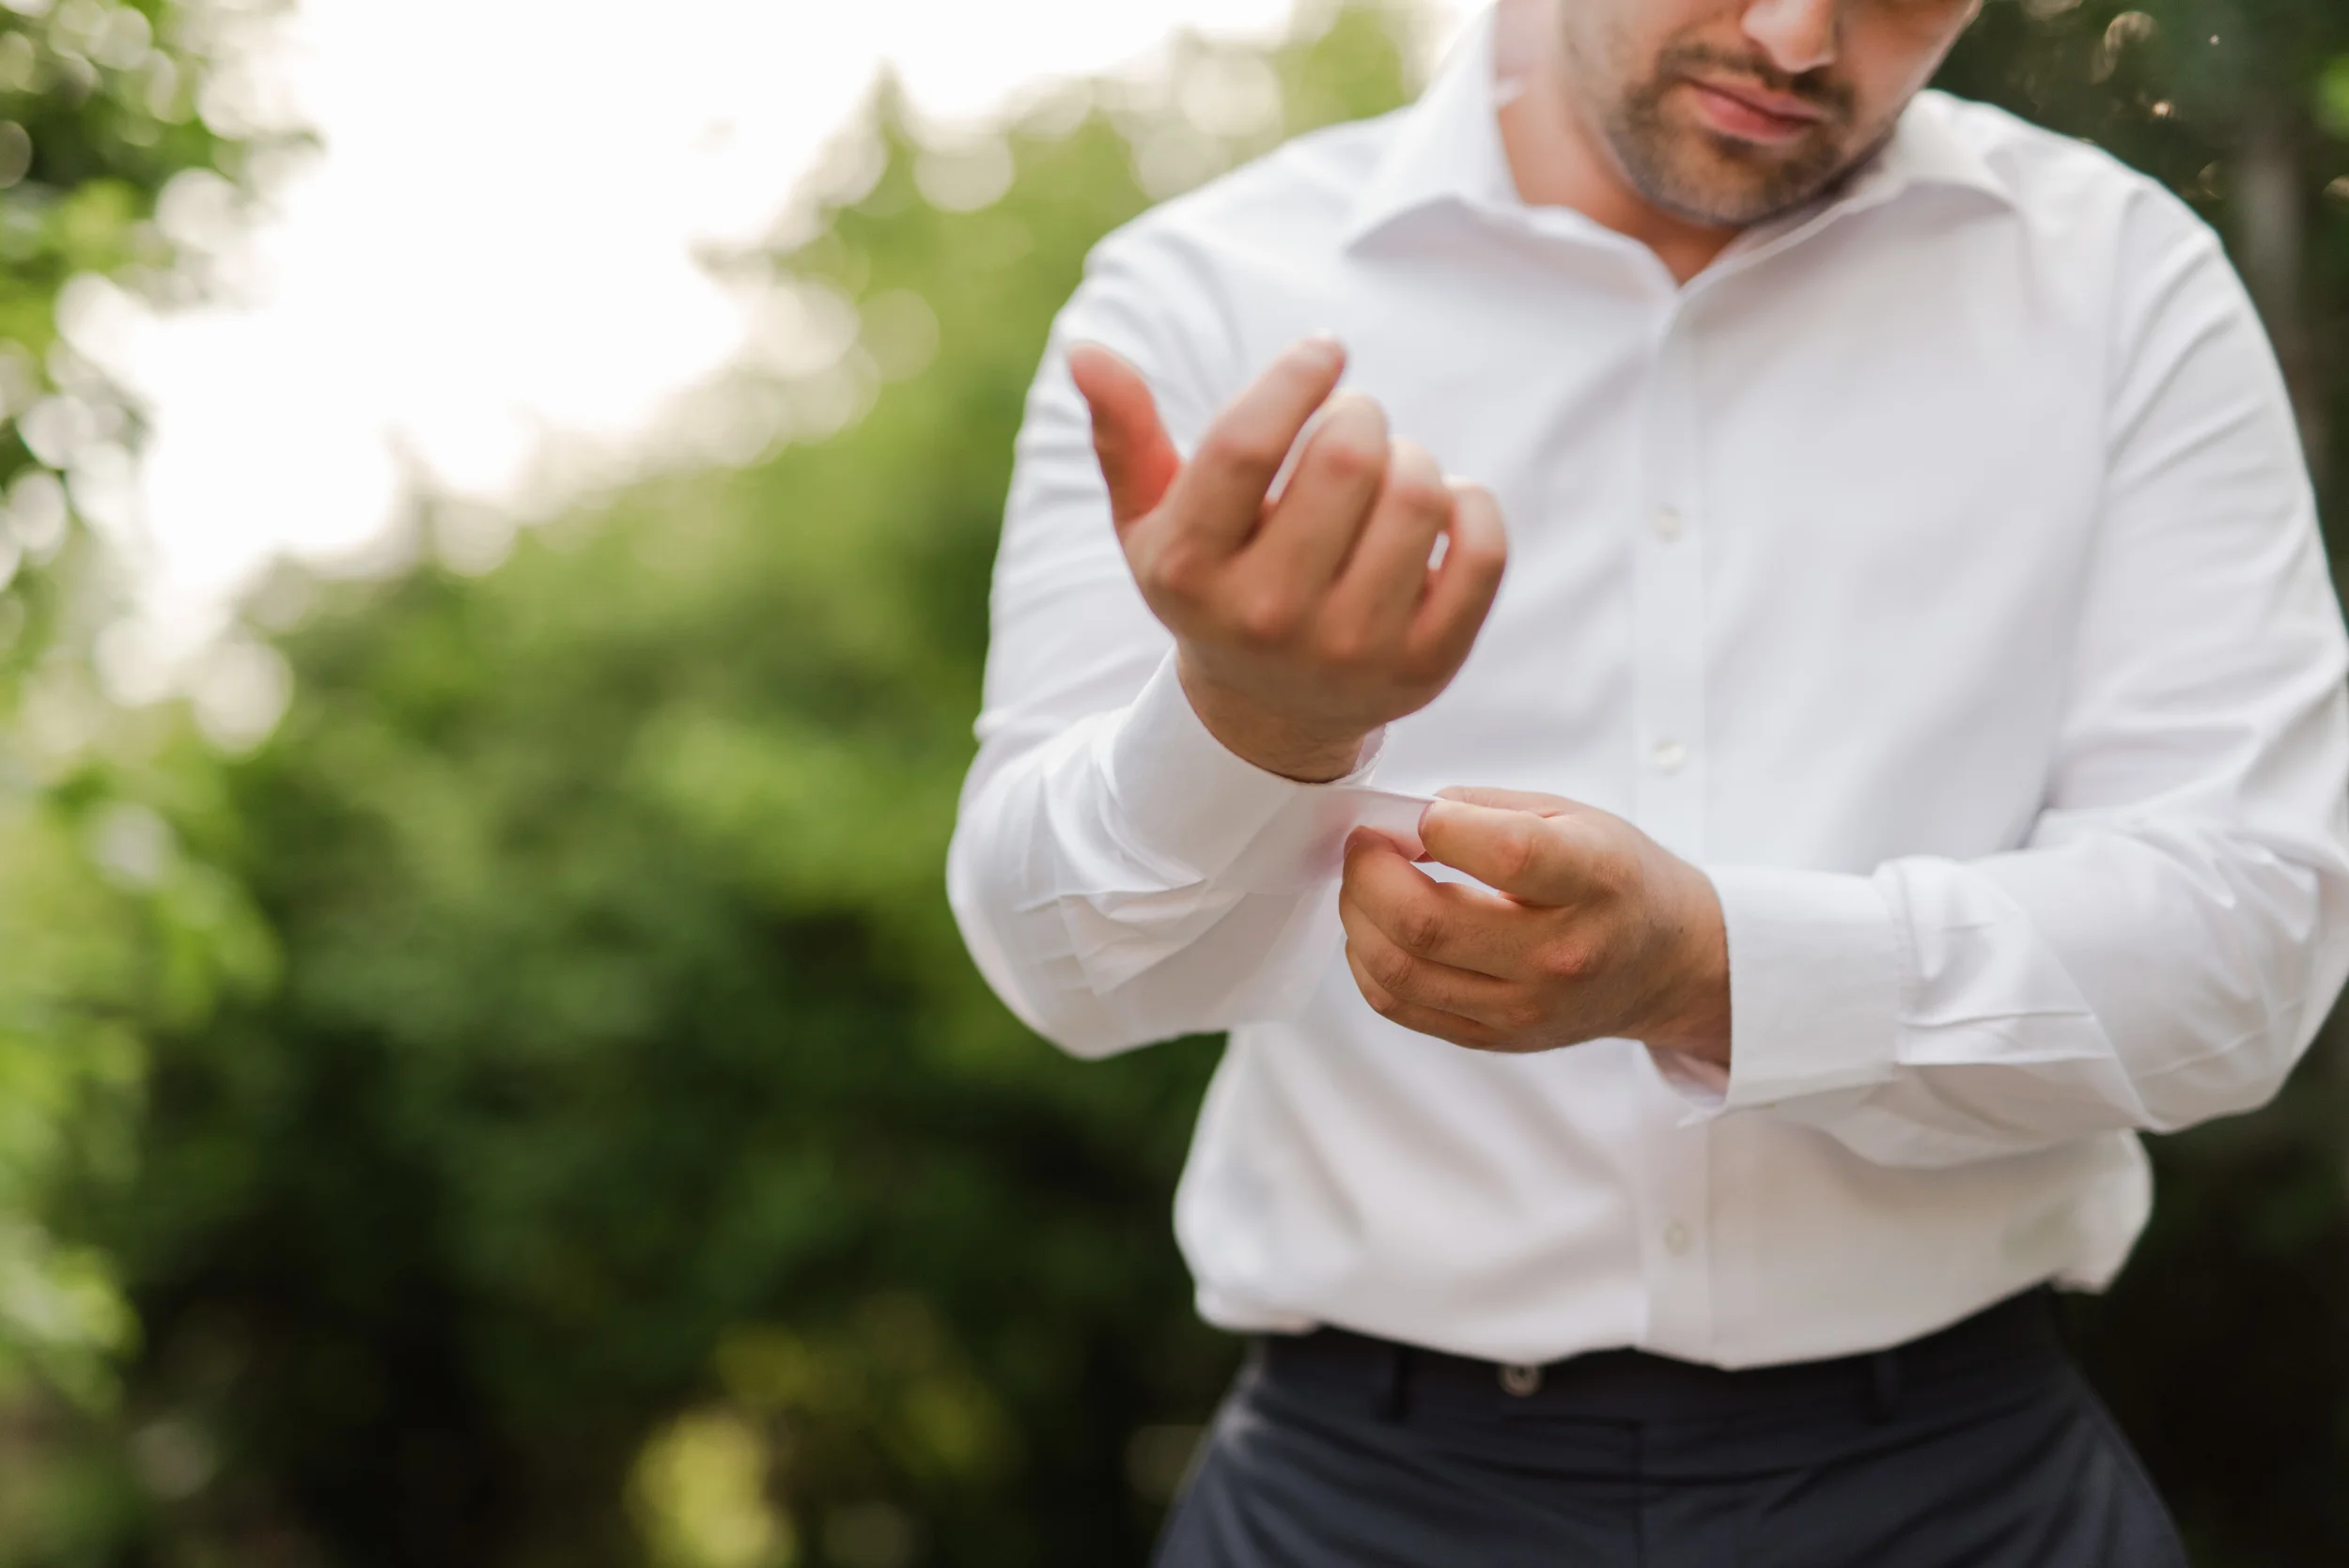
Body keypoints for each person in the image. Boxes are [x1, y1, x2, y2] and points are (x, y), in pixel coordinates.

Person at [946, 0, 2349, 1560]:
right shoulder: (1204, 289)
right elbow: (1063, 970)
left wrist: (1713, 971)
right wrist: (1245, 724)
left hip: (1976, 1494)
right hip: (1355, 1506)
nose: (1799, 37)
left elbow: (2250, 941)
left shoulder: (2122, 282)